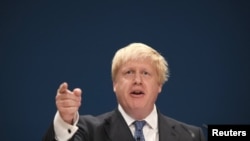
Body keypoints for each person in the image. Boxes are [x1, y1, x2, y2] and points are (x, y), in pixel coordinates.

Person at [43, 42, 206, 141]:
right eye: (129, 72)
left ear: (159, 85)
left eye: (146, 73)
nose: (137, 80)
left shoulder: (191, 136)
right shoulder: (87, 131)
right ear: (115, 84)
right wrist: (64, 121)